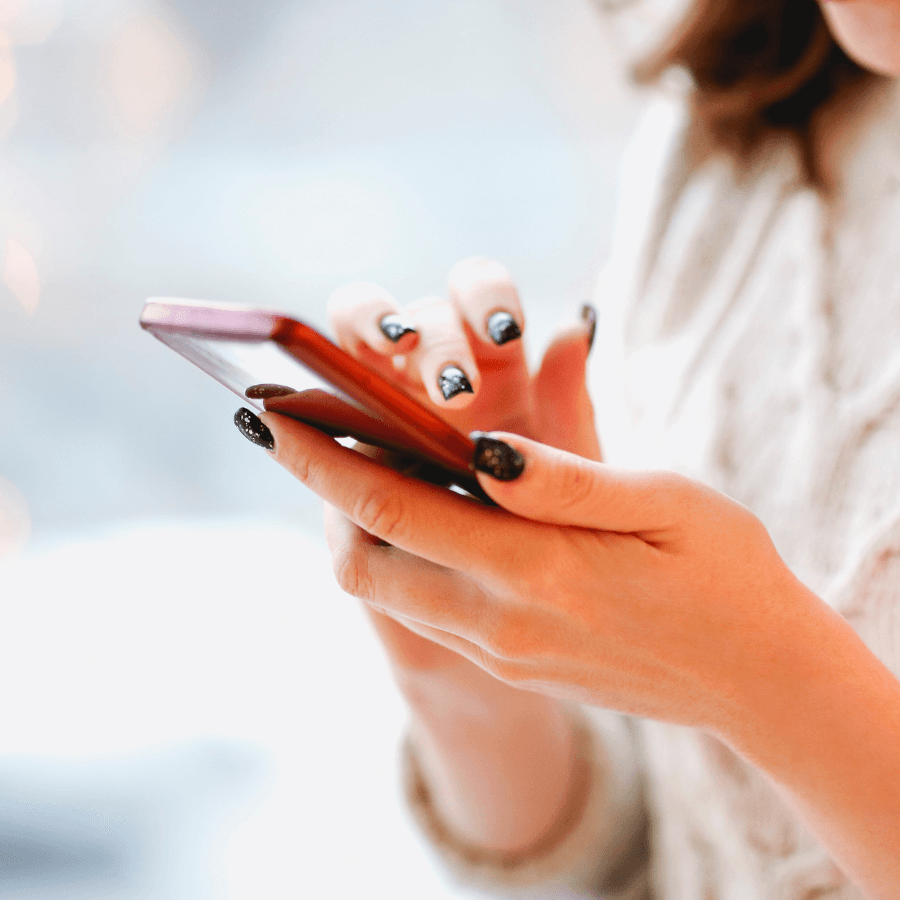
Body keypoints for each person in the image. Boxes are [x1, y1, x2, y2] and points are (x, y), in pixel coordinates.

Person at [233, 0, 900, 897]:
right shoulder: (723, 137)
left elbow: (744, 686)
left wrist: (761, 677)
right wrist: (473, 665)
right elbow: (655, 850)